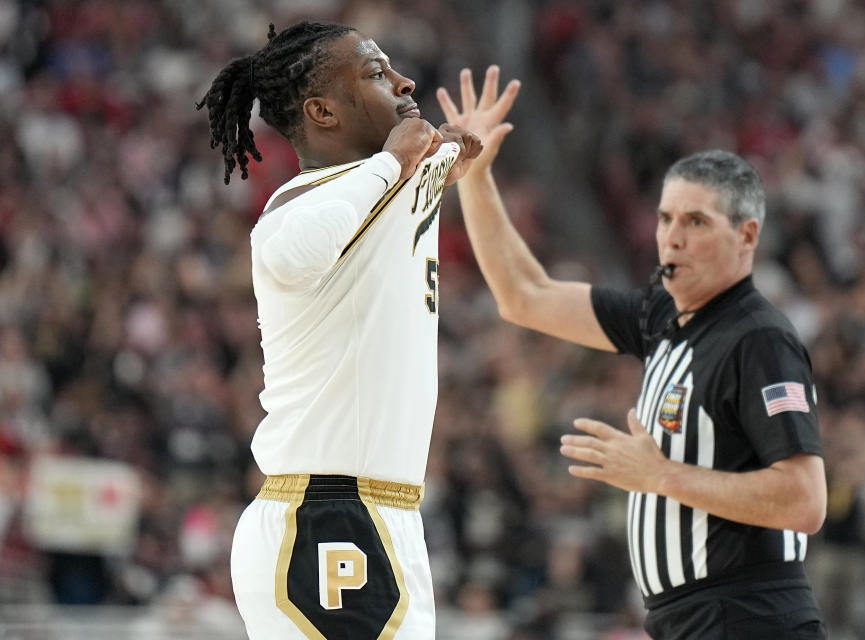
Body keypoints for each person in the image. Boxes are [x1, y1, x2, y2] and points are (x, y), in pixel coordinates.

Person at [438, 66, 828, 639]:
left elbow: (803, 501)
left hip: (751, 617)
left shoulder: (759, 339)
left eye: (696, 221)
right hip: (686, 620)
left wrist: (662, 475)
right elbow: (526, 296)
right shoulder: (662, 316)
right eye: (666, 218)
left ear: (746, 237)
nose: (672, 236)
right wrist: (474, 176)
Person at [196, 22, 481, 640]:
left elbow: (451, 154)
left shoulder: (389, 179)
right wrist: (395, 162)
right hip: (324, 516)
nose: (405, 82)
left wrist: (455, 154)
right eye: (377, 74)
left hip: (381, 512)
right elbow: (291, 253)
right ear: (322, 110)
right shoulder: (301, 201)